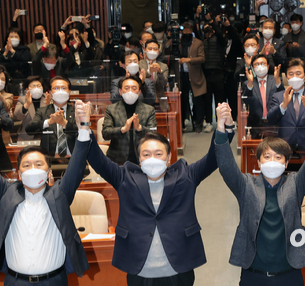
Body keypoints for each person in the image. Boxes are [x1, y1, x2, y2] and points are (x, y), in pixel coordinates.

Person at [84, 104, 235, 286]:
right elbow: (97, 160)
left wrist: (222, 128)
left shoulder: (186, 176)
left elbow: (214, 157)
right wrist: (85, 125)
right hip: (140, 272)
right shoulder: (125, 178)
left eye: (158, 153)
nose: (152, 158)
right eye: (146, 154)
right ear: (139, 160)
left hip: (178, 271)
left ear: (169, 157)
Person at [0, 98, 92, 285]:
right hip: (15, 281)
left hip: (54, 281)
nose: (33, 169)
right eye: (27, 166)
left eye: (39, 164)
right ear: (19, 174)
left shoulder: (60, 194)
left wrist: (84, 127)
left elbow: (77, 164)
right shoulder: (7, 192)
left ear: (49, 172)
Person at [216, 101, 305, 285]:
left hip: (289, 273)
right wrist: (221, 127)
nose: (272, 161)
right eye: (267, 157)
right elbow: (226, 166)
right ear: (259, 163)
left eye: (278, 157)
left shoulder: (295, 183)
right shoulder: (246, 185)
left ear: (285, 164)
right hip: (254, 273)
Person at [267, 58, 305, 159]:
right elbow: (270, 120)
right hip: (284, 149)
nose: (294, 77)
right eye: (291, 74)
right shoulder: (278, 96)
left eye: (298, 73)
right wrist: (283, 105)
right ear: (286, 77)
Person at [102, 76, 157, 165]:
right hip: (117, 161)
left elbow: (154, 133)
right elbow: (105, 134)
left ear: (139, 92)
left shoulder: (149, 110)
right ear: (120, 91)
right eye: (126, 88)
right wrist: (122, 129)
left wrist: (139, 128)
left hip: (142, 160)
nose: (130, 91)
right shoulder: (111, 109)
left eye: (134, 88)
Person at [25, 76, 78, 159]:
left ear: (69, 92)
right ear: (50, 92)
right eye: (56, 88)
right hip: (49, 159)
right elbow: (29, 129)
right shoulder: (42, 111)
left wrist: (64, 123)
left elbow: (82, 132)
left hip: (74, 158)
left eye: (63, 88)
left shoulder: (77, 111)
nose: (60, 91)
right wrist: (48, 122)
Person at [242, 54, 284, 138]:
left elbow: (283, 98)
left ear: (268, 66)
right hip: (256, 125)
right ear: (253, 68)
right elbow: (246, 101)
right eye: (256, 64)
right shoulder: (248, 83)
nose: (260, 66)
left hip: (275, 124)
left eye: (263, 63)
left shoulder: (276, 79)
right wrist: (250, 84)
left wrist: (278, 82)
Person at [179, 22, 206, 133]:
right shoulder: (178, 42)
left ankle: (198, 123)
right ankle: (182, 123)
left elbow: (202, 58)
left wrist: (188, 60)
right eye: (185, 30)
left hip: (195, 76)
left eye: (189, 30)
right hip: (181, 76)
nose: (187, 32)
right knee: (182, 100)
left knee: (197, 101)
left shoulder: (198, 43)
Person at [202, 15, 228, 132]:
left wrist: (212, 22)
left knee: (220, 100)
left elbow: (218, 33)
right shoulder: (202, 41)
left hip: (218, 72)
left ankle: (221, 121)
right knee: (207, 100)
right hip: (206, 74)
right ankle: (208, 122)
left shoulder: (219, 40)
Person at [14, 76, 50, 142]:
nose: (36, 88)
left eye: (39, 86)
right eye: (33, 86)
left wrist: (49, 105)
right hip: (27, 137)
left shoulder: (48, 98)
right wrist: (27, 105)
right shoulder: (22, 99)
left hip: (47, 136)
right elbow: (17, 116)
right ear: (27, 89)